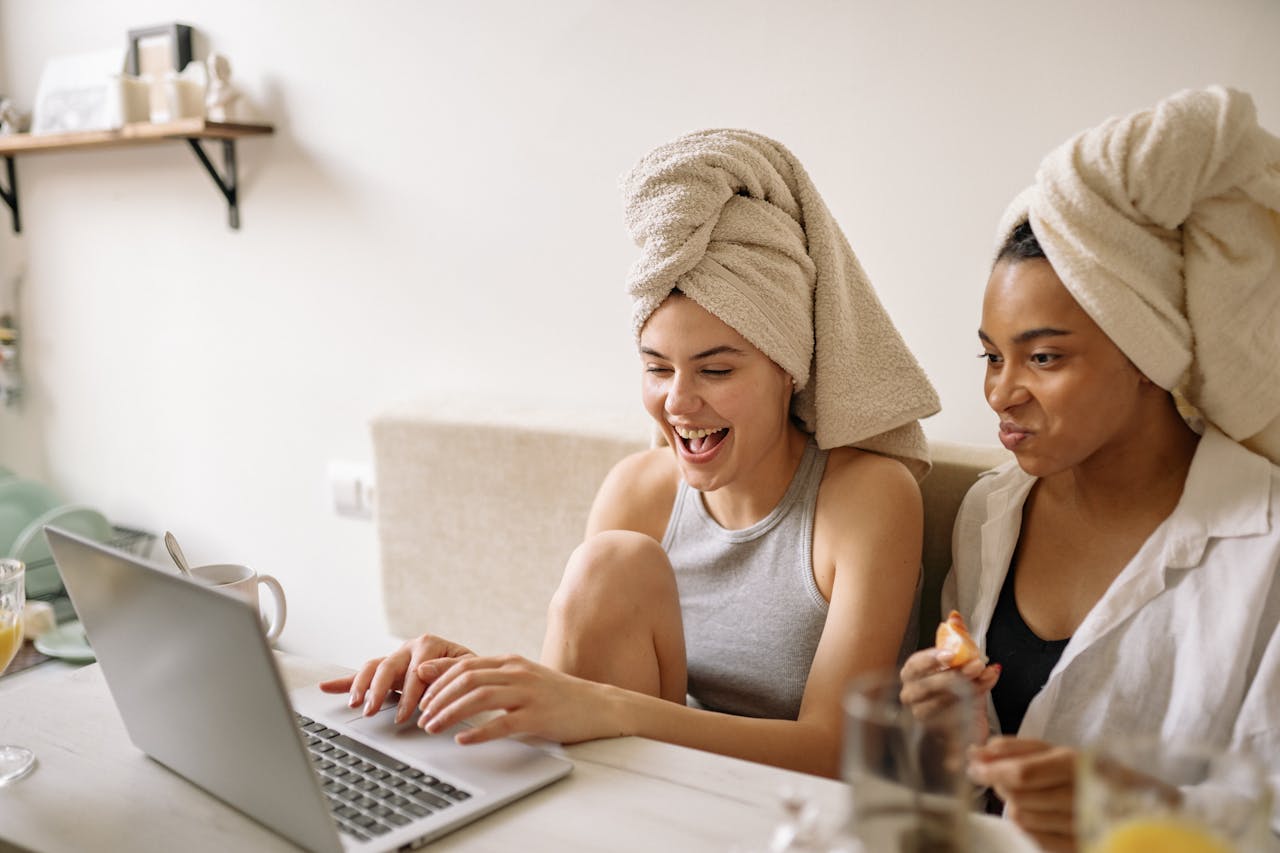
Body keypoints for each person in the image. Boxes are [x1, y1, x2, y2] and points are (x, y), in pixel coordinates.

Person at [322, 129, 941, 777]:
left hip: (793, 821)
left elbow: (835, 752)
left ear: (789, 367)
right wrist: (462, 674)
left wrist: (614, 708)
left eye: (716, 370)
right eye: (657, 368)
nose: (678, 402)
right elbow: (571, 703)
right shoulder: (638, 491)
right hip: (647, 807)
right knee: (609, 562)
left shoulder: (868, 497)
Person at [900, 86, 1280, 851]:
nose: (1001, 391)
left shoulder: (1263, 546)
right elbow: (968, 799)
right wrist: (957, 737)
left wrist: (1127, 814)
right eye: (992, 355)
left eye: (1043, 357)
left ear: (1149, 354)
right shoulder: (989, 515)